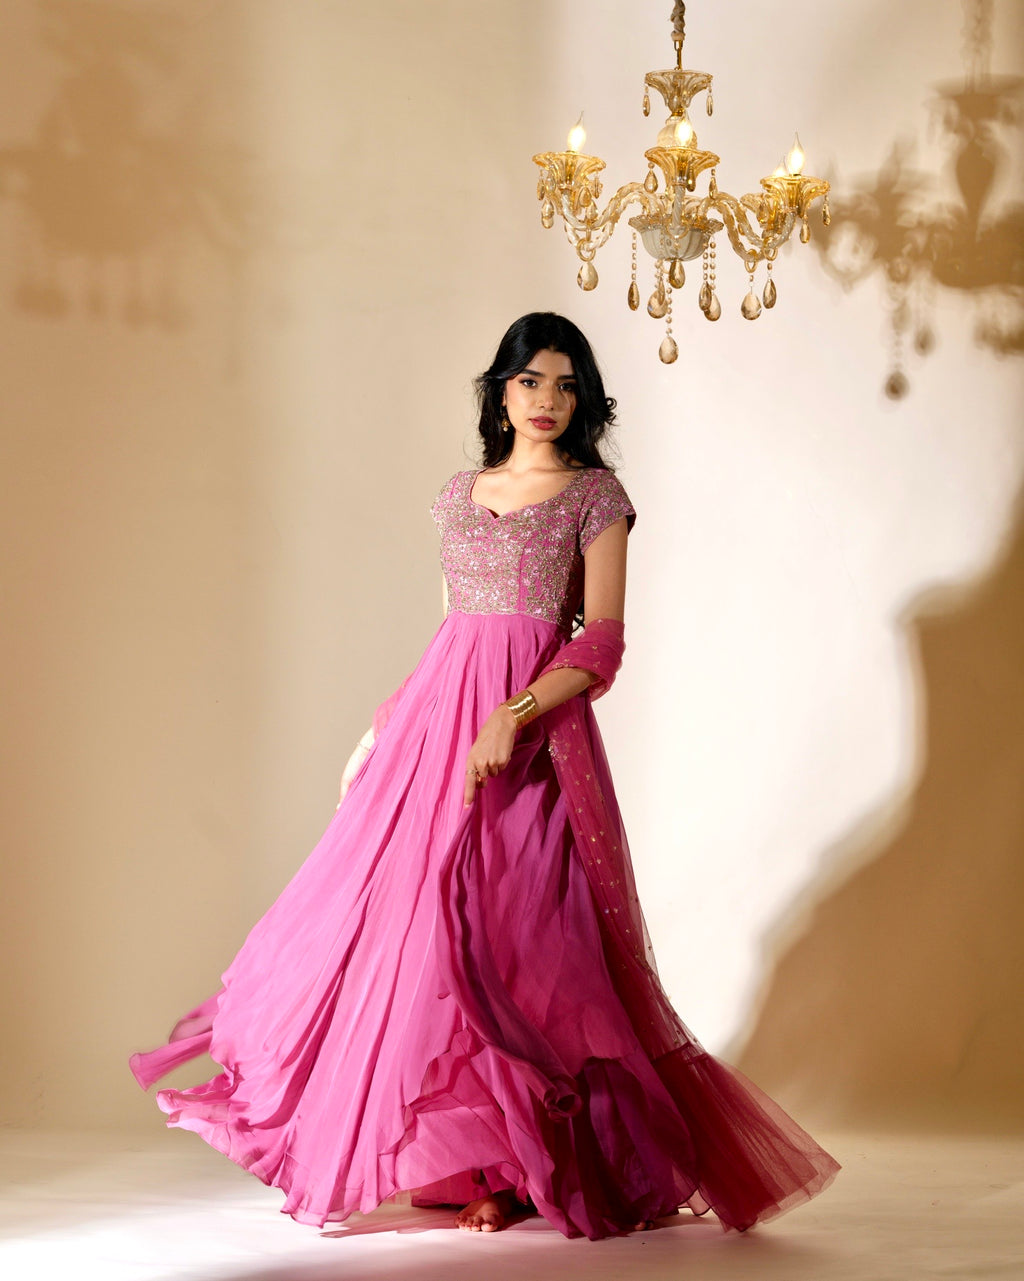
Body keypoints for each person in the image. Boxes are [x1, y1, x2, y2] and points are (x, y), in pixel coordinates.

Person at [130, 312, 840, 1239]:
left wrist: (514, 717)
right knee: (420, 935)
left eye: (566, 384)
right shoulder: (457, 495)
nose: (548, 400)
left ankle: (531, 1164)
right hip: (435, 735)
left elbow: (605, 640)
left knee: (522, 937)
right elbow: (452, 635)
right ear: (499, 390)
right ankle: (477, 1166)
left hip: (537, 738)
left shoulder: (597, 496)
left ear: (583, 399)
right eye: (531, 380)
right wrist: (380, 730)